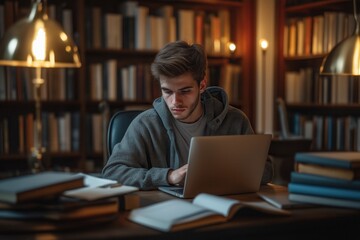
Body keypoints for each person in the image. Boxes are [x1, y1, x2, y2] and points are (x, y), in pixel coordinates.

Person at [102, 40, 273, 190]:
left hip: (222, 207)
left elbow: (265, 170)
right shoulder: (146, 124)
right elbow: (112, 172)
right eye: (167, 91)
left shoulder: (235, 121)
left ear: (202, 85)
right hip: (167, 212)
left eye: (185, 91)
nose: (175, 101)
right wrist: (168, 177)